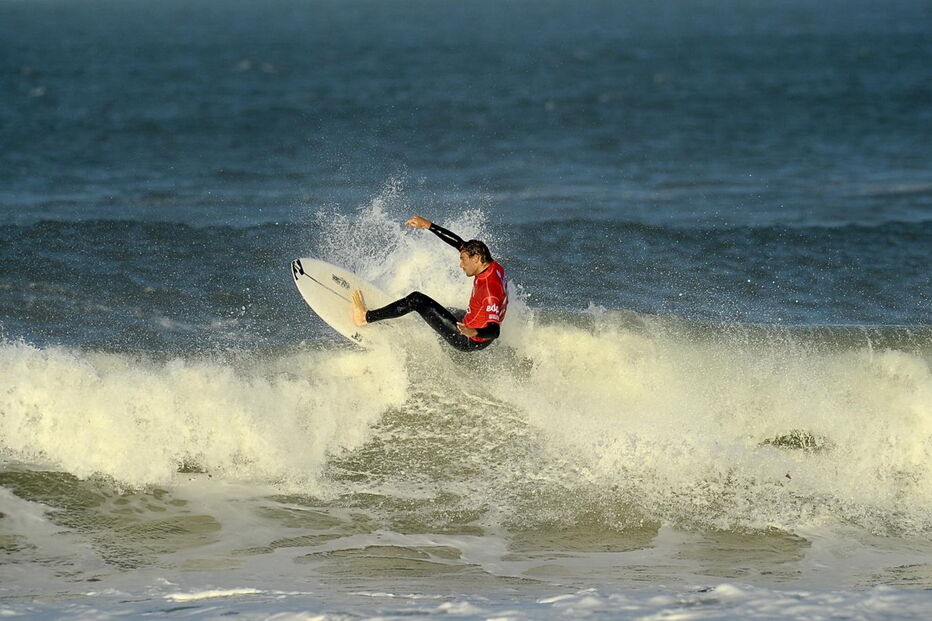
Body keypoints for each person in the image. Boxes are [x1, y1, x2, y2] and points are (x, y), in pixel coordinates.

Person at [351, 215, 507, 352]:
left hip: (468, 339)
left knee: (417, 300)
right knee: (444, 311)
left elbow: (494, 330)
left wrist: (473, 332)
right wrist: (428, 225)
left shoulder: (489, 290)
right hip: (474, 325)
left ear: (477, 258)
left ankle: (365, 317)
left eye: (463, 260)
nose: (461, 265)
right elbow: (458, 242)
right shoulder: (492, 265)